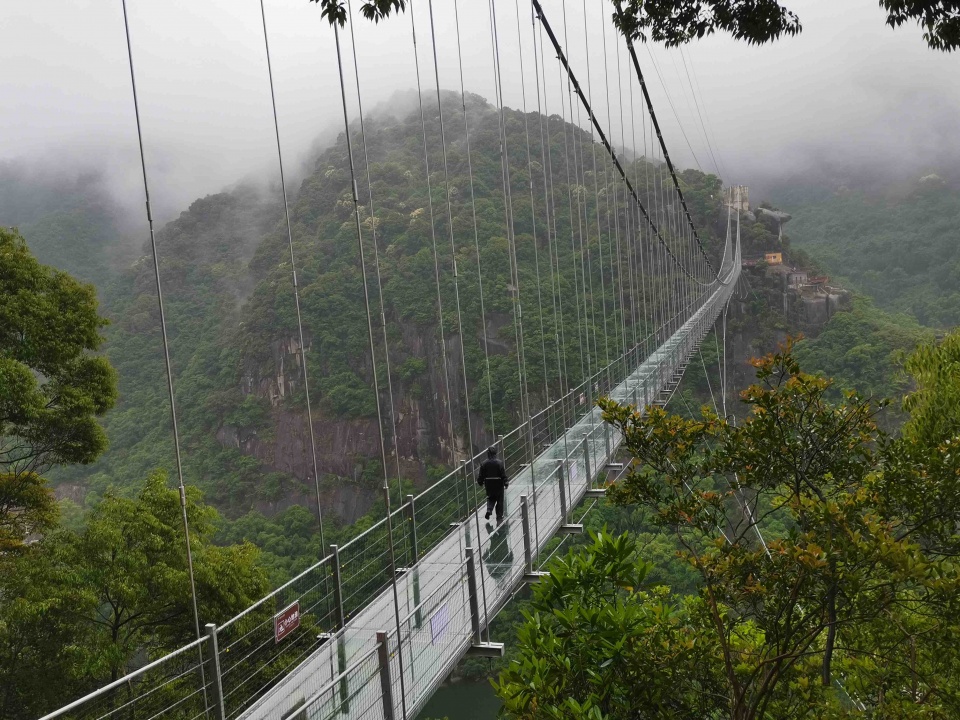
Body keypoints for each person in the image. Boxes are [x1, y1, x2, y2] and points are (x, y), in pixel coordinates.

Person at [476, 445, 509, 523]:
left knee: (491, 498)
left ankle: (489, 510)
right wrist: (506, 482)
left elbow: (481, 475)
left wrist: (480, 482)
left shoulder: (484, 463)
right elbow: (503, 474)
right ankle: (499, 517)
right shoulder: (499, 463)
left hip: (489, 484)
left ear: (488, 453)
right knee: (499, 500)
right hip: (498, 484)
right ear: (495, 453)